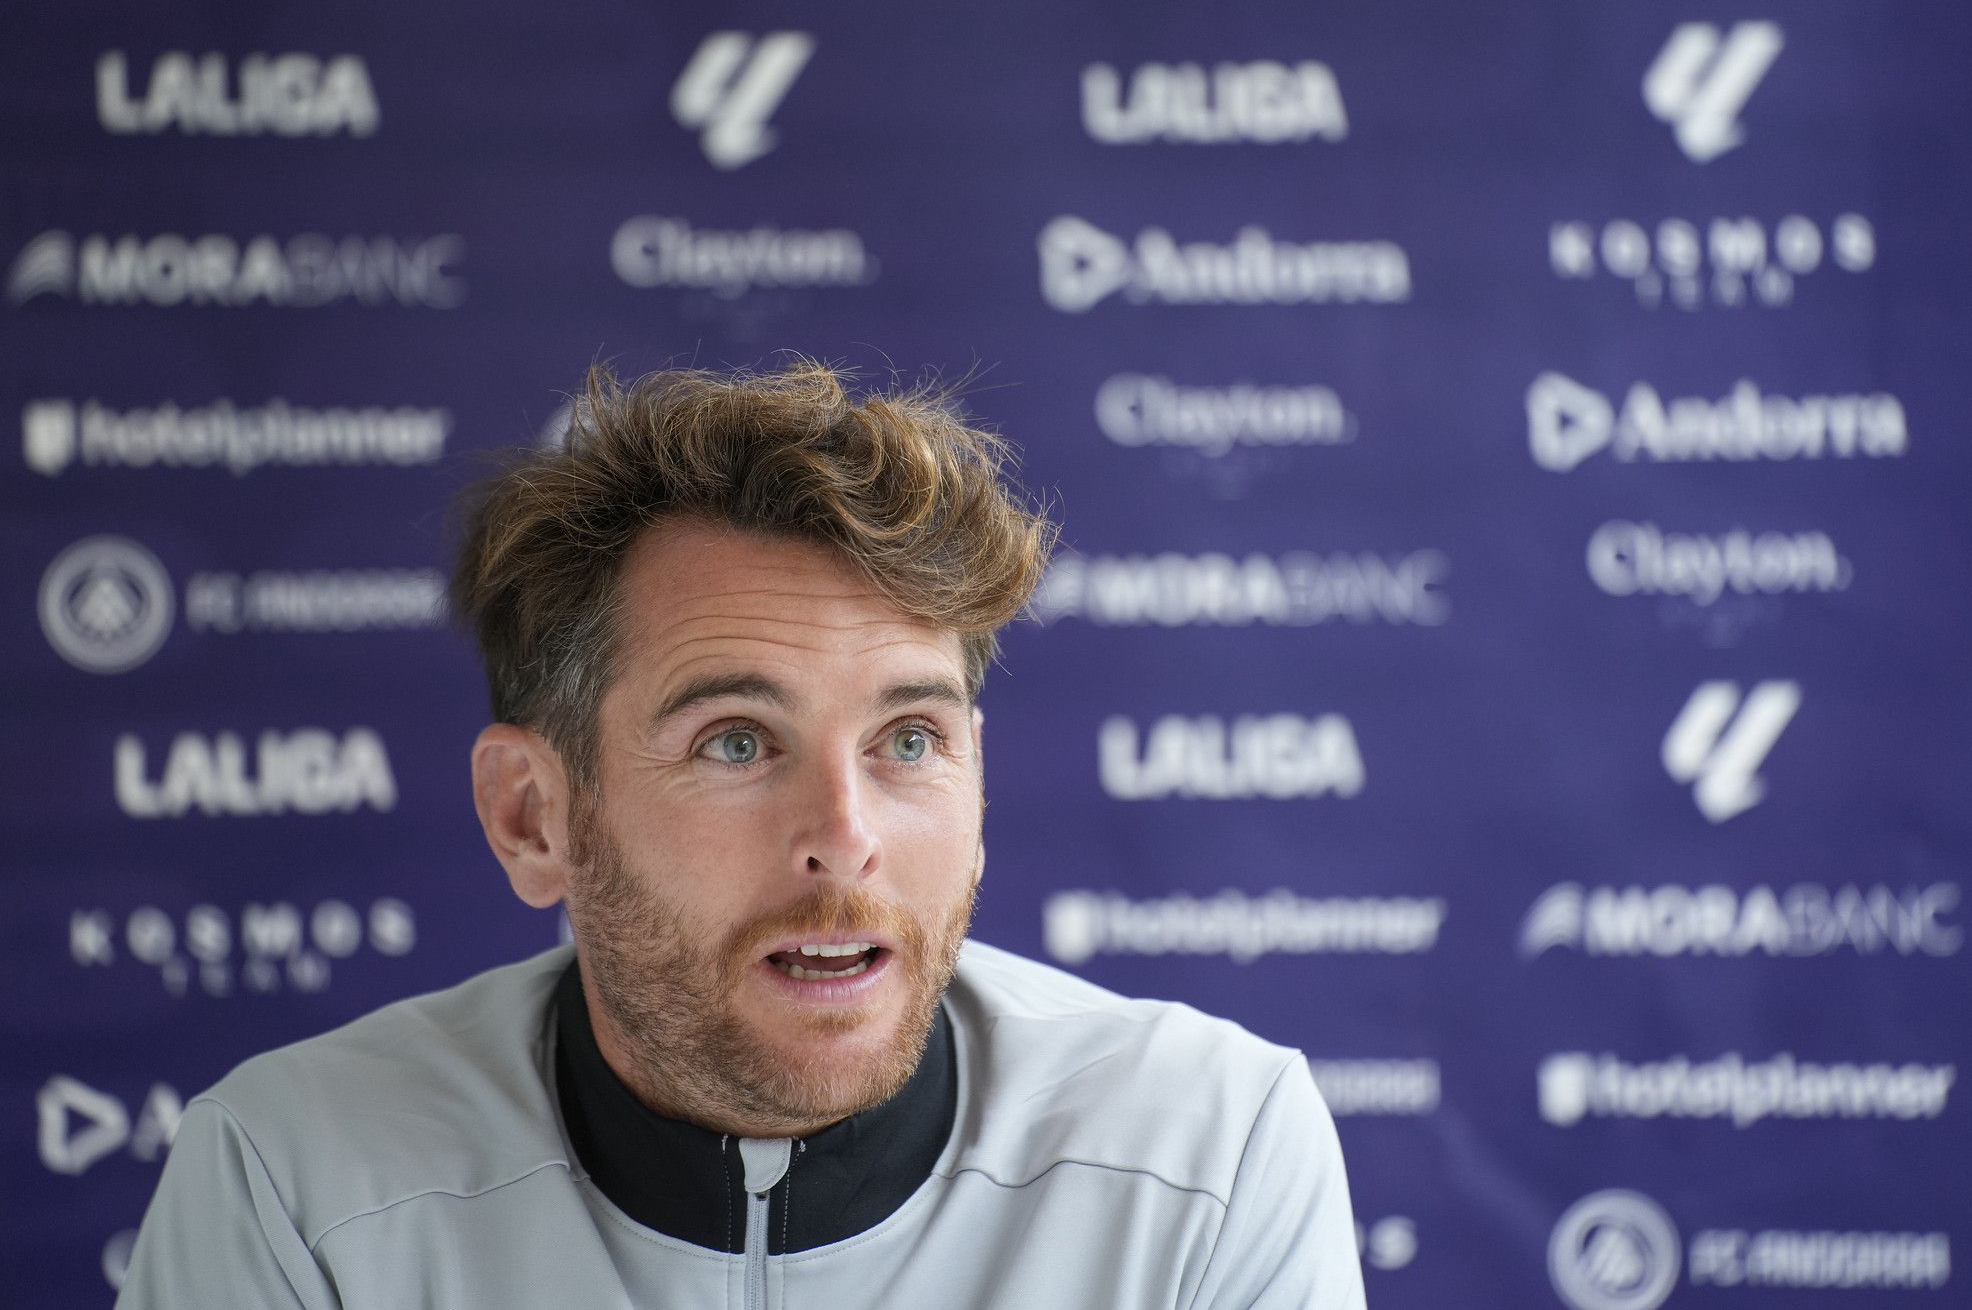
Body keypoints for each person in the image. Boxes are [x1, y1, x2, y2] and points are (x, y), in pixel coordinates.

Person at [116, 363, 1368, 1308]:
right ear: (533, 816)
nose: (844, 839)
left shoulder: (1209, 1148)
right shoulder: (293, 1177)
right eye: (734, 743)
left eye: (909, 740)